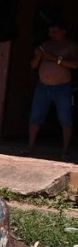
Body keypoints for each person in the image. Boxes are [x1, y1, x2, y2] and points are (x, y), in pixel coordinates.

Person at [27, 9, 78, 157]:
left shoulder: (70, 46)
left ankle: (65, 150)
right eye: (51, 32)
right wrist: (38, 56)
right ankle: (30, 148)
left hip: (62, 88)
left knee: (65, 118)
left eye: (55, 32)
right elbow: (33, 65)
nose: (52, 35)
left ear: (63, 32)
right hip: (43, 87)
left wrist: (55, 59)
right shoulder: (45, 45)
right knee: (36, 116)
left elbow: (75, 65)